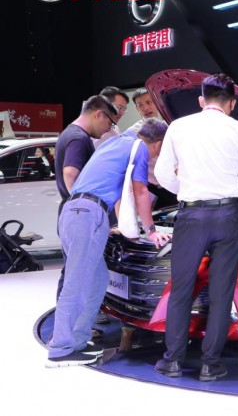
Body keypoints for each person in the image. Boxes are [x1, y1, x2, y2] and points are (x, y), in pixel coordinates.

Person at [154, 73, 238, 382]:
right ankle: (210, 364)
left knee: (181, 289)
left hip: (191, 215)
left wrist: (186, 191)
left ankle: (172, 360)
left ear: (201, 101)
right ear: (232, 103)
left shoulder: (179, 127)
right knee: (221, 292)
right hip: (228, 215)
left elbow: (162, 174)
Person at [46, 113, 171, 367]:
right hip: (87, 214)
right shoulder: (139, 148)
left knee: (97, 279)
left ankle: (78, 340)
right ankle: (60, 348)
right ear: (158, 144)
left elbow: (116, 188)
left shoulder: (117, 142)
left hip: (76, 211)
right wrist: (150, 230)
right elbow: (140, 191)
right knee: (77, 281)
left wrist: (117, 225)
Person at [54, 95, 119, 300]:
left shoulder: (69, 133)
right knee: (76, 276)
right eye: (110, 123)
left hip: (71, 213)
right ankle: (66, 319)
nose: (108, 129)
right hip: (79, 215)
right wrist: (82, 208)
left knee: (73, 271)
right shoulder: (79, 138)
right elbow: (70, 173)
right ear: (99, 114)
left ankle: (65, 317)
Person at [126, 88, 177, 208]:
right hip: (150, 188)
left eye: (149, 102)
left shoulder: (171, 126)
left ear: (157, 102)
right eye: (140, 105)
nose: (145, 108)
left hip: (172, 184)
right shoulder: (131, 133)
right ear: (137, 109)